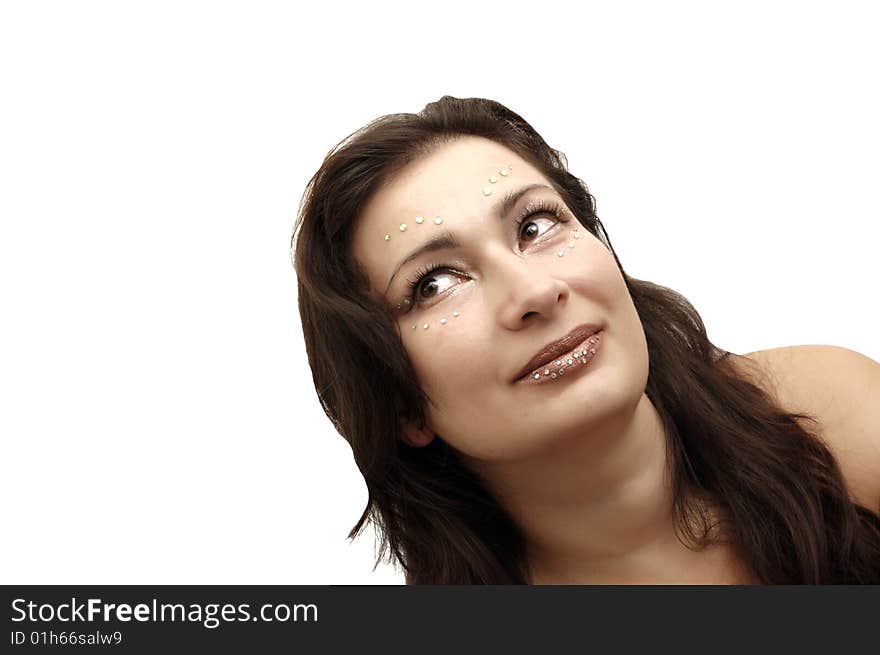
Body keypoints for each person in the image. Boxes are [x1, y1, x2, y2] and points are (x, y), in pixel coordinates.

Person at [290, 95, 880, 584]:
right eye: (437, 283)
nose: (535, 293)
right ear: (400, 404)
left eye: (535, 225)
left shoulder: (830, 415)